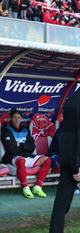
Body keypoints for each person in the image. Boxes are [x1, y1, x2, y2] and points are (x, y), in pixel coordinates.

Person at [1, 110, 51, 199]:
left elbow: (32, 146)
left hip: (27, 156)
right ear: (11, 119)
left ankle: (38, 186)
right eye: (14, 117)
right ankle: (25, 187)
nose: (17, 120)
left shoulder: (25, 130)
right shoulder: (6, 130)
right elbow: (11, 149)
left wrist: (20, 145)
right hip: (13, 157)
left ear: (21, 119)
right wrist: (24, 147)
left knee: (47, 160)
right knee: (21, 160)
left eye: (19, 117)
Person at [50, 90, 80, 233]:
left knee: (61, 204)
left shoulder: (71, 99)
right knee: (61, 204)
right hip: (76, 161)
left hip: (67, 159)